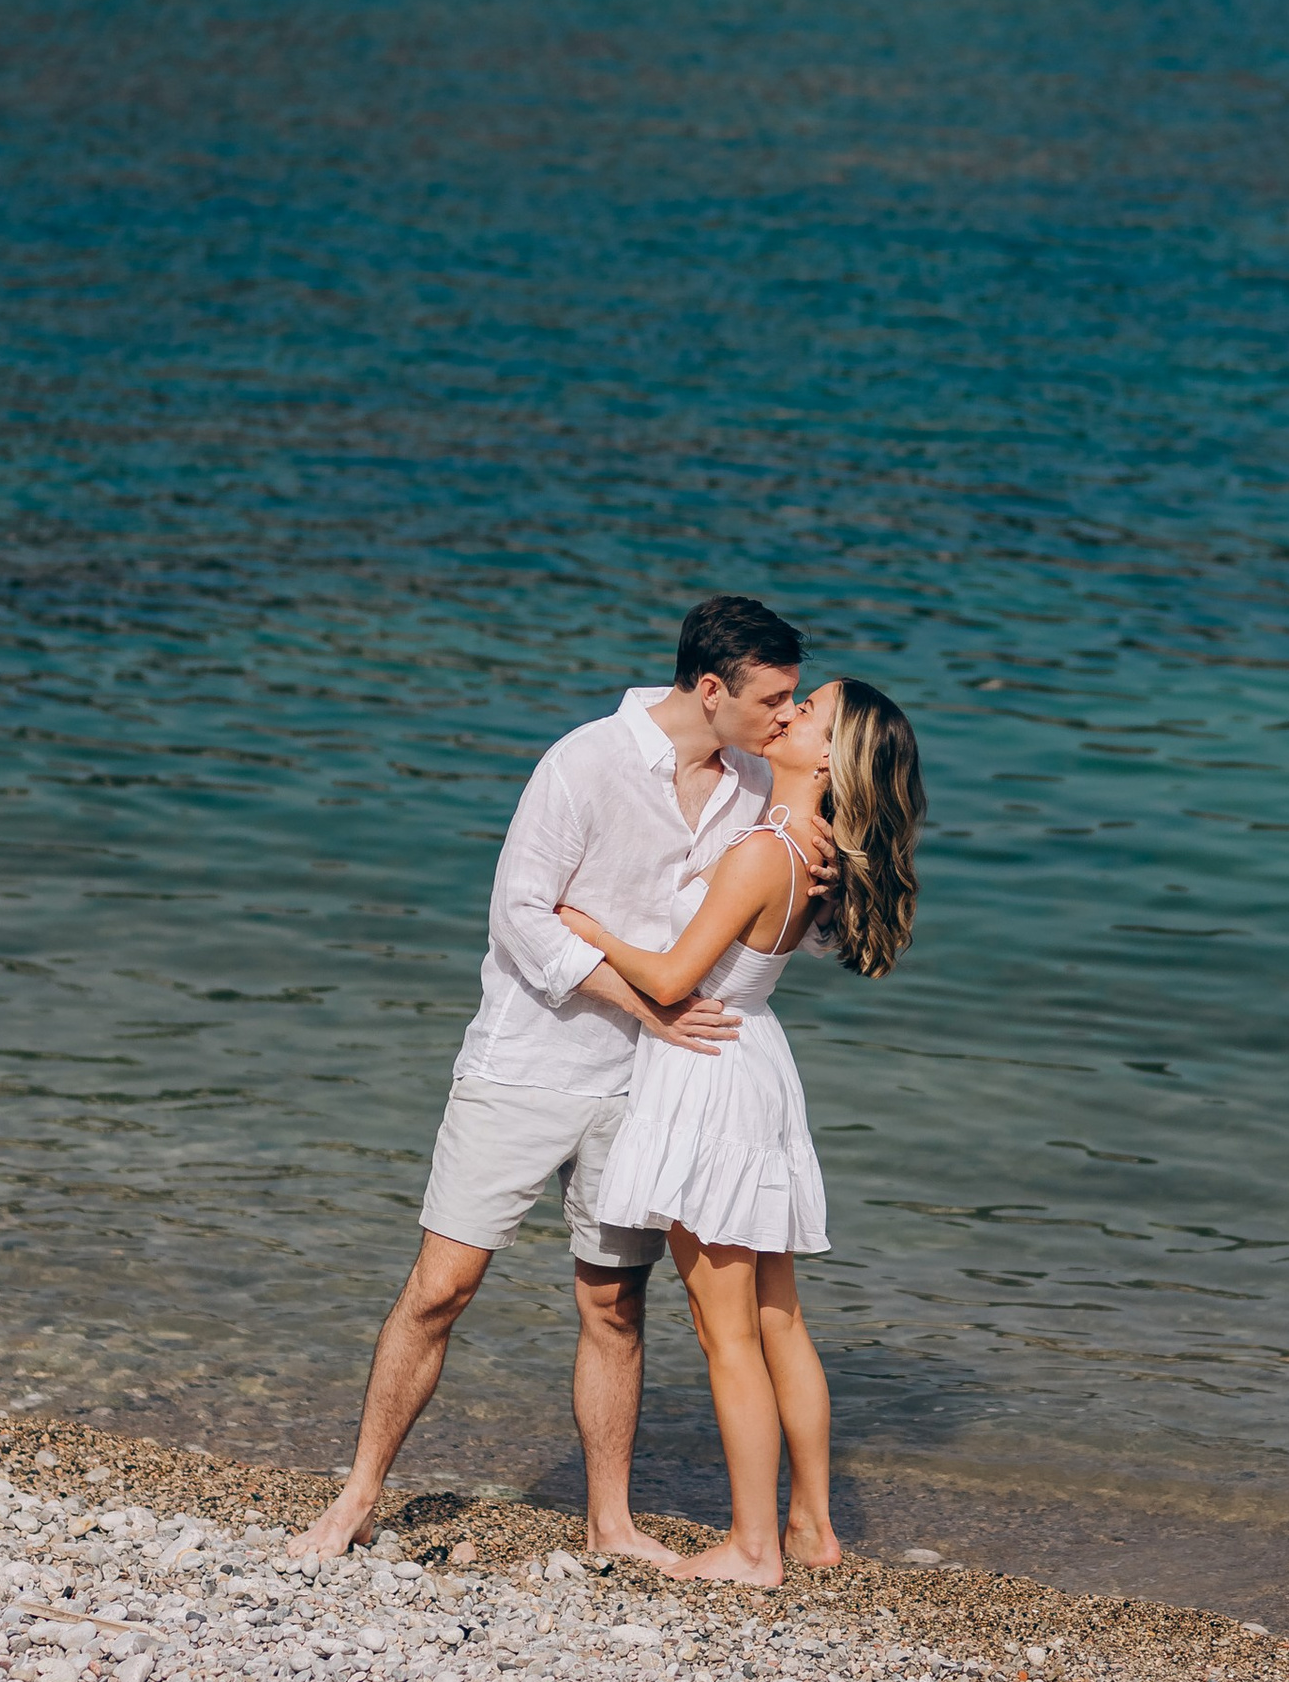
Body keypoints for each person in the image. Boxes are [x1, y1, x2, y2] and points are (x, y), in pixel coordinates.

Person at [290, 598, 825, 1572]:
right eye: (772, 700)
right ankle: (357, 1496)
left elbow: (764, 915)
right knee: (441, 1288)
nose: (786, 716)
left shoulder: (758, 785)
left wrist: (831, 878)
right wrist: (646, 1001)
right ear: (711, 690)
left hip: (653, 1085)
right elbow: (521, 917)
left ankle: (608, 1523)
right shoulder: (583, 762)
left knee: (614, 1304)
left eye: (796, 701)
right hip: (527, 1063)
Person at [558, 676, 924, 1589]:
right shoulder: (810, 846)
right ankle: (811, 1526)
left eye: (809, 710)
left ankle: (753, 1547)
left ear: (830, 757)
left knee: (726, 1333)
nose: (788, 712)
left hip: (711, 1072)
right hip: (752, 1061)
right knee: (777, 1318)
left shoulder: (768, 851)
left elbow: (672, 978)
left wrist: (585, 929)